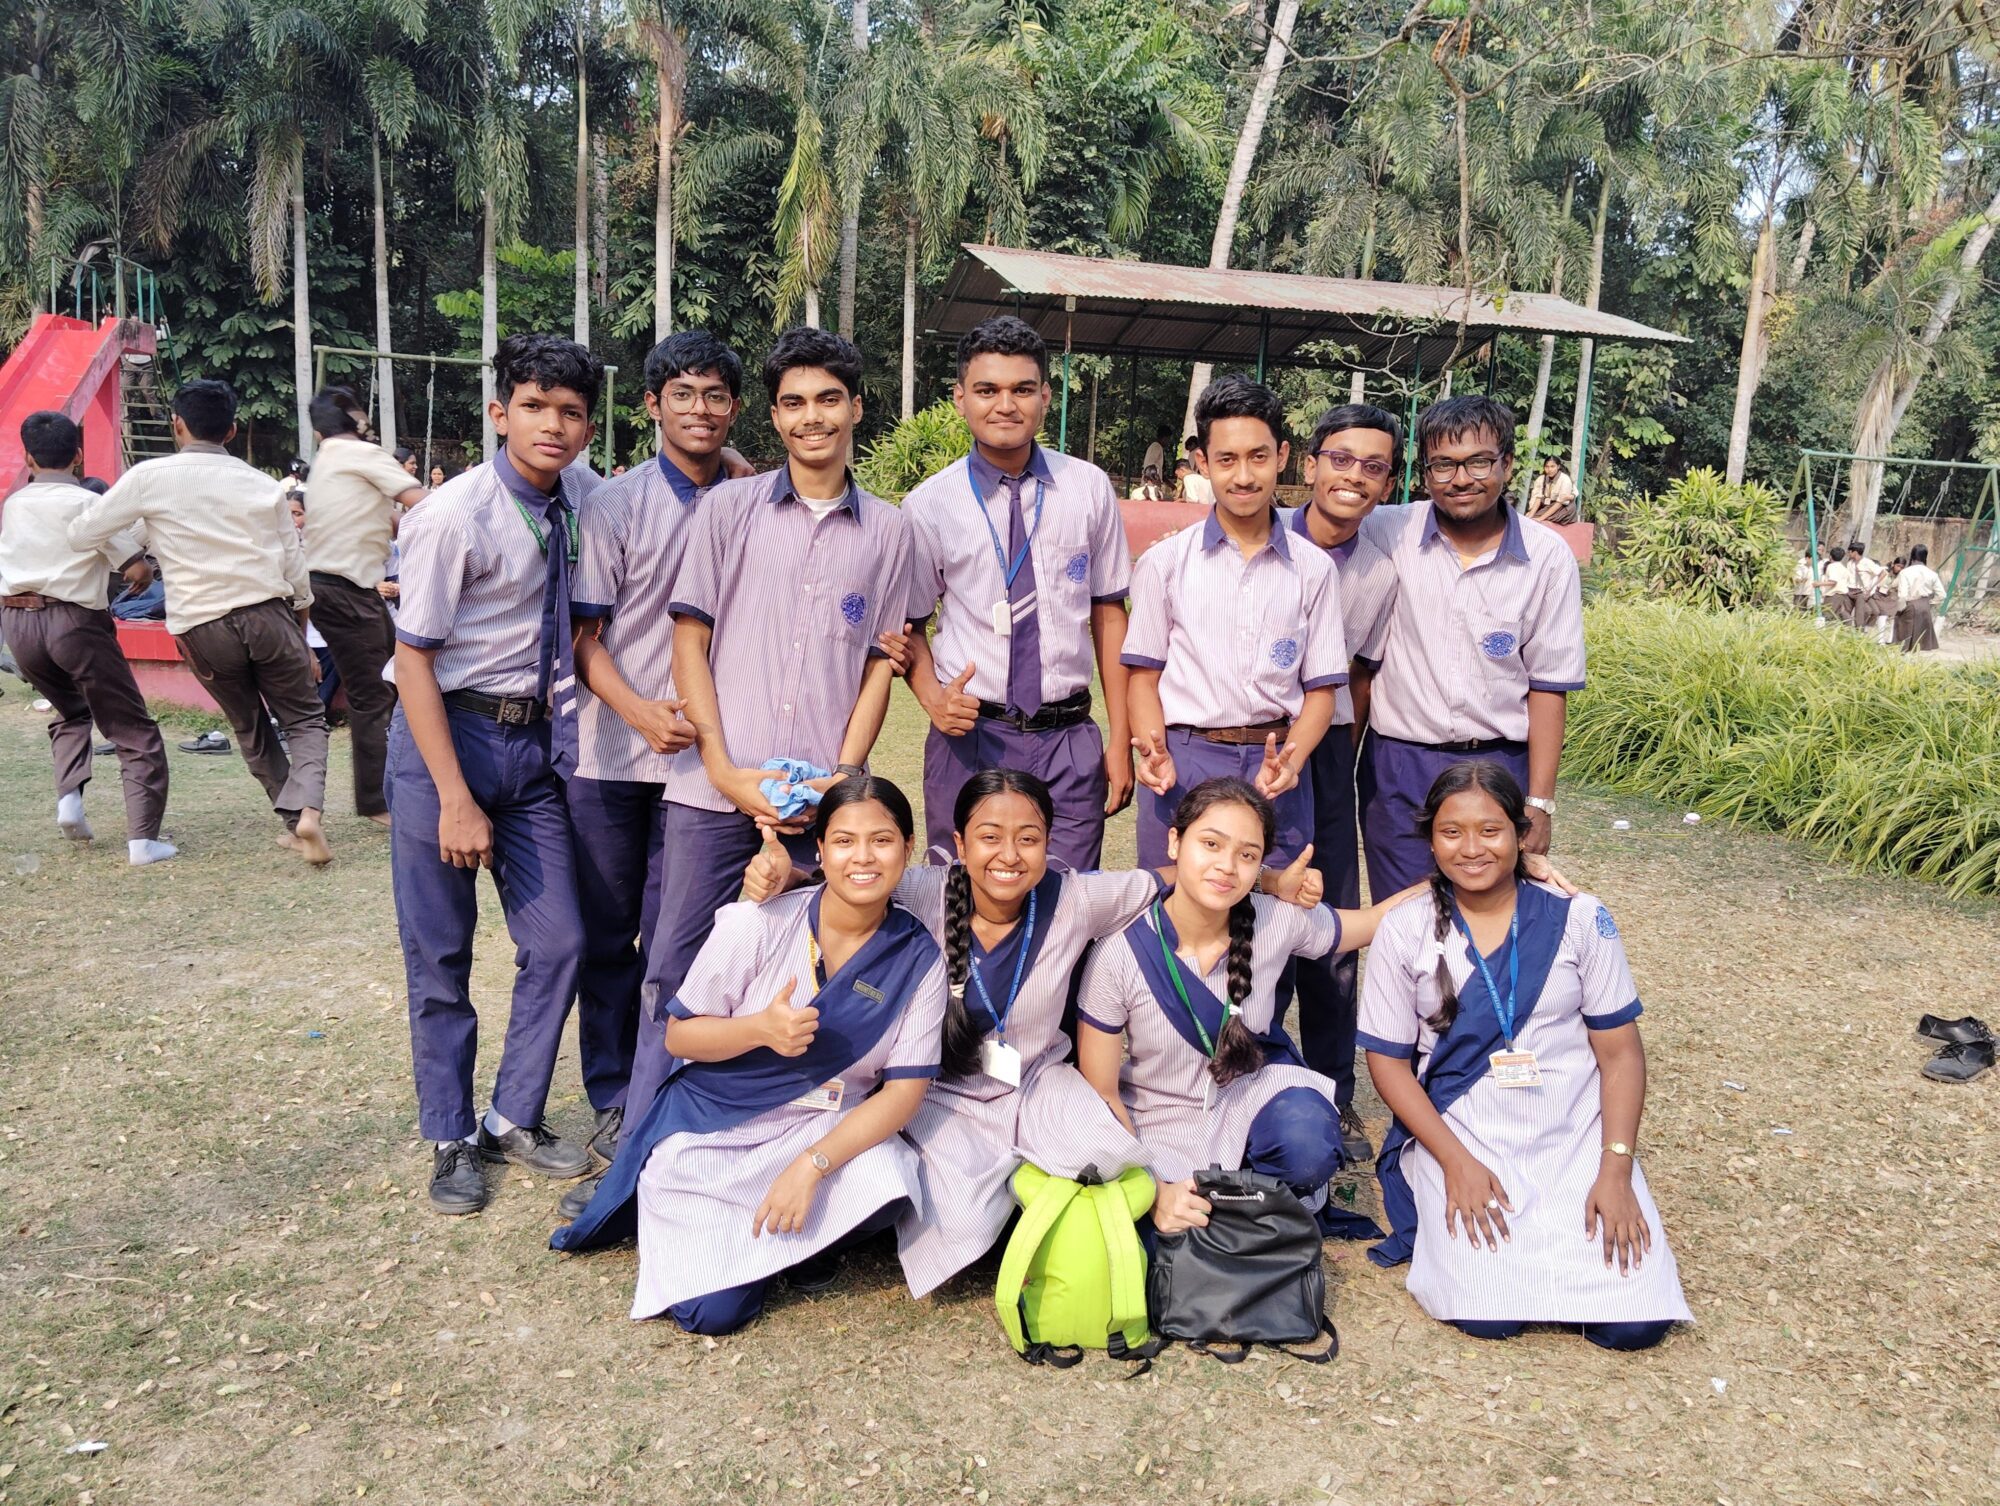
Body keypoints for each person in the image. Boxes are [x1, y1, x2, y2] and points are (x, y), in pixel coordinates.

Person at [741, 766, 1327, 1294]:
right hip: (945, 1094)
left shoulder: (1076, 898)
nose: (1009, 855)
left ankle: (1036, 1191)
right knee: (955, 1222)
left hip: (1038, 1083)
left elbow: (1179, 876)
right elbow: (854, 883)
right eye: (989, 837)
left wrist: (1271, 882)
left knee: (1109, 1154)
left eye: (1028, 838)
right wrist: (789, 875)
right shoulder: (922, 892)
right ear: (959, 844)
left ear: (1048, 843)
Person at [621, 326, 913, 1138]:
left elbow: (880, 664)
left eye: (828, 400)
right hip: (711, 794)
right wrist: (722, 769)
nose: (812, 417)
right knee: (676, 974)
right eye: (794, 403)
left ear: (857, 408)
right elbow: (690, 641)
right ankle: (643, 1153)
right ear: (775, 417)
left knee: (800, 974)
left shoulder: (891, 532)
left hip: (820, 806)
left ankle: (762, 1148)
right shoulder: (727, 510)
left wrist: (840, 781)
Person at [553, 777, 946, 1336]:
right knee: (711, 1313)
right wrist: (759, 1029)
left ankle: (790, 1239)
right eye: (843, 841)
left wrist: (811, 1166)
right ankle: (778, 1247)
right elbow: (680, 1038)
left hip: (820, 1128)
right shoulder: (758, 922)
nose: (863, 857)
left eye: (881, 841)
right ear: (820, 849)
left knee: (891, 1181)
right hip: (718, 1127)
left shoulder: (918, 956)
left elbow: (904, 1091)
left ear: (908, 848)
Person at [1358, 760, 1690, 1349]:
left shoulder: (1580, 918)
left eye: (1490, 830)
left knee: (1634, 1325)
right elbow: (1387, 1064)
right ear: (1431, 839)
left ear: (1521, 834)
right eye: (1451, 832)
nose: (1471, 849)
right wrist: (1455, 1163)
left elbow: (1621, 1056)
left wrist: (1616, 1170)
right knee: (1488, 1315)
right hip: (1466, 1131)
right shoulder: (1405, 929)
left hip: (1572, 1133)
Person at [385, 332, 603, 1216]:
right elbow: (413, 661)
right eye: (535, 407)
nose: (553, 426)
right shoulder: (453, 516)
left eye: (572, 412)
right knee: (440, 951)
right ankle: (449, 1138)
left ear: (589, 427)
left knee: (561, 941)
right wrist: (453, 797)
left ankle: (512, 1115)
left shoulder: (581, 492)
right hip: (447, 739)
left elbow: (668, 485)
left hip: (533, 746)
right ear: (499, 412)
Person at [559, 329, 747, 1217]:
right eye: (682, 394)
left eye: (715, 395)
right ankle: (611, 1093)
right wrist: (639, 712)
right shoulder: (616, 505)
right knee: (608, 937)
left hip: (705, 765)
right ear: (652, 406)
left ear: (734, 409)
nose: (699, 410)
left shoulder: (749, 500)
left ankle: (667, 1082)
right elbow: (583, 638)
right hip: (614, 754)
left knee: (680, 940)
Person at [1075, 779, 1416, 1234]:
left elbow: (1371, 922)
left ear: (1259, 866)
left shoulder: (1275, 918)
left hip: (1247, 1095)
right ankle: (1246, 1204)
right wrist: (1151, 1189)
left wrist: (1467, 878)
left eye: (1247, 854)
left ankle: (1241, 1200)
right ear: (1175, 842)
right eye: (1211, 844)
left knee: (1307, 1145)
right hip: (1156, 1112)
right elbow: (1103, 1094)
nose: (1226, 867)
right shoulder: (1118, 953)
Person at [899, 314, 1134, 873]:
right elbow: (909, 624)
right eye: (987, 390)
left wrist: (1120, 740)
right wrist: (932, 697)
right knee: (963, 894)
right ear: (960, 398)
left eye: (1022, 389)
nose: (1005, 405)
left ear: (1045, 397)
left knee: (1068, 901)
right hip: (971, 738)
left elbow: (1109, 613)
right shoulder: (928, 505)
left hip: (1068, 740)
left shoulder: (1088, 488)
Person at [69, 378, 334, 865]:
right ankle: (310, 813)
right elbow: (295, 570)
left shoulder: (149, 478)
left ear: (177, 424)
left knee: (250, 727)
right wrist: (300, 631)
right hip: (268, 612)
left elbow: (83, 532)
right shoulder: (263, 485)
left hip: (200, 624)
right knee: (304, 720)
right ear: (231, 430)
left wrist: (134, 558)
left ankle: (294, 822)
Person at [1356, 395, 1584, 893]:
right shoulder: (1386, 531)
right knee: (1402, 912)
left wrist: (1539, 803)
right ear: (1425, 471)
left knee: (1487, 915)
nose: (1461, 479)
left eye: (1478, 462)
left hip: (1500, 766)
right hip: (1399, 767)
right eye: (1443, 465)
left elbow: (1549, 685)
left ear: (1507, 463)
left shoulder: (1547, 558)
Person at [1124, 375, 1344, 869]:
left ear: (1282, 456)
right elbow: (1143, 677)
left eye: (1257, 456)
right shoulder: (1164, 564)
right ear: (1203, 462)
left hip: (1276, 760)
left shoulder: (1313, 569)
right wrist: (1155, 750)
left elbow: (1321, 692)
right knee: (1174, 896)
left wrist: (1291, 760)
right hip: (1185, 761)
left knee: (1275, 902)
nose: (1243, 476)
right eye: (1226, 460)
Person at [1278, 402, 1404, 1160]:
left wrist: (1337, 766)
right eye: (1341, 458)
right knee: (1249, 905)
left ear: (1388, 484)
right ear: (1311, 463)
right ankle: (1244, 1071)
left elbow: (1358, 677)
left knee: (1330, 921)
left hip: (1326, 748)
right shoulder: (1262, 533)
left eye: (1374, 466)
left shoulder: (1381, 572)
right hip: (1248, 738)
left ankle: (1332, 1089)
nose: (1354, 476)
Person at [0, 411, 175, 864]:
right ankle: (143, 840)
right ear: (78, 455)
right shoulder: (87, 504)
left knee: (70, 710)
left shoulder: (13, 504)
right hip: (74, 621)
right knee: (132, 727)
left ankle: (69, 802)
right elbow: (135, 568)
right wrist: (139, 572)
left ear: (28, 457)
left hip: (16, 622)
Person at [303, 386, 427, 824]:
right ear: (358, 420)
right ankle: (377, 802)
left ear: (318, 431)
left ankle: (398, 784)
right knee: (377, 691)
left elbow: (384, 517)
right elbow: (424, 505)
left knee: (398, 678)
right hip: (350, 589)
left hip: (329, 588)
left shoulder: (325, 460)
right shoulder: (363, 453)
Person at [1895, 543, 1945, 652]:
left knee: (1904, 638)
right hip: (1924, 606)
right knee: (1919, 640)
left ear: (1912, 556)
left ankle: (1903, 658)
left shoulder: (1905, 572)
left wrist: (1900, 610)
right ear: (1925, 557)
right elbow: (1942, 595)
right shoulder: (1932, 574)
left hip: (1910, 604)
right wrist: (1930, 603)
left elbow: (1902, 595)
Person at [1523, 458, 1577, 524]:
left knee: (1537, 520)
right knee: (1530, 517)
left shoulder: (1565, 479)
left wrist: (1541, 518)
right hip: (1548, 505)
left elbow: (1559, 503)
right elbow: (1538, 499)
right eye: (1547, 467)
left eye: (1552, 466)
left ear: (1558, 467)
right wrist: (1530, 514)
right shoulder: (1541, 479)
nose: (1549, 469)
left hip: (1562, 507)